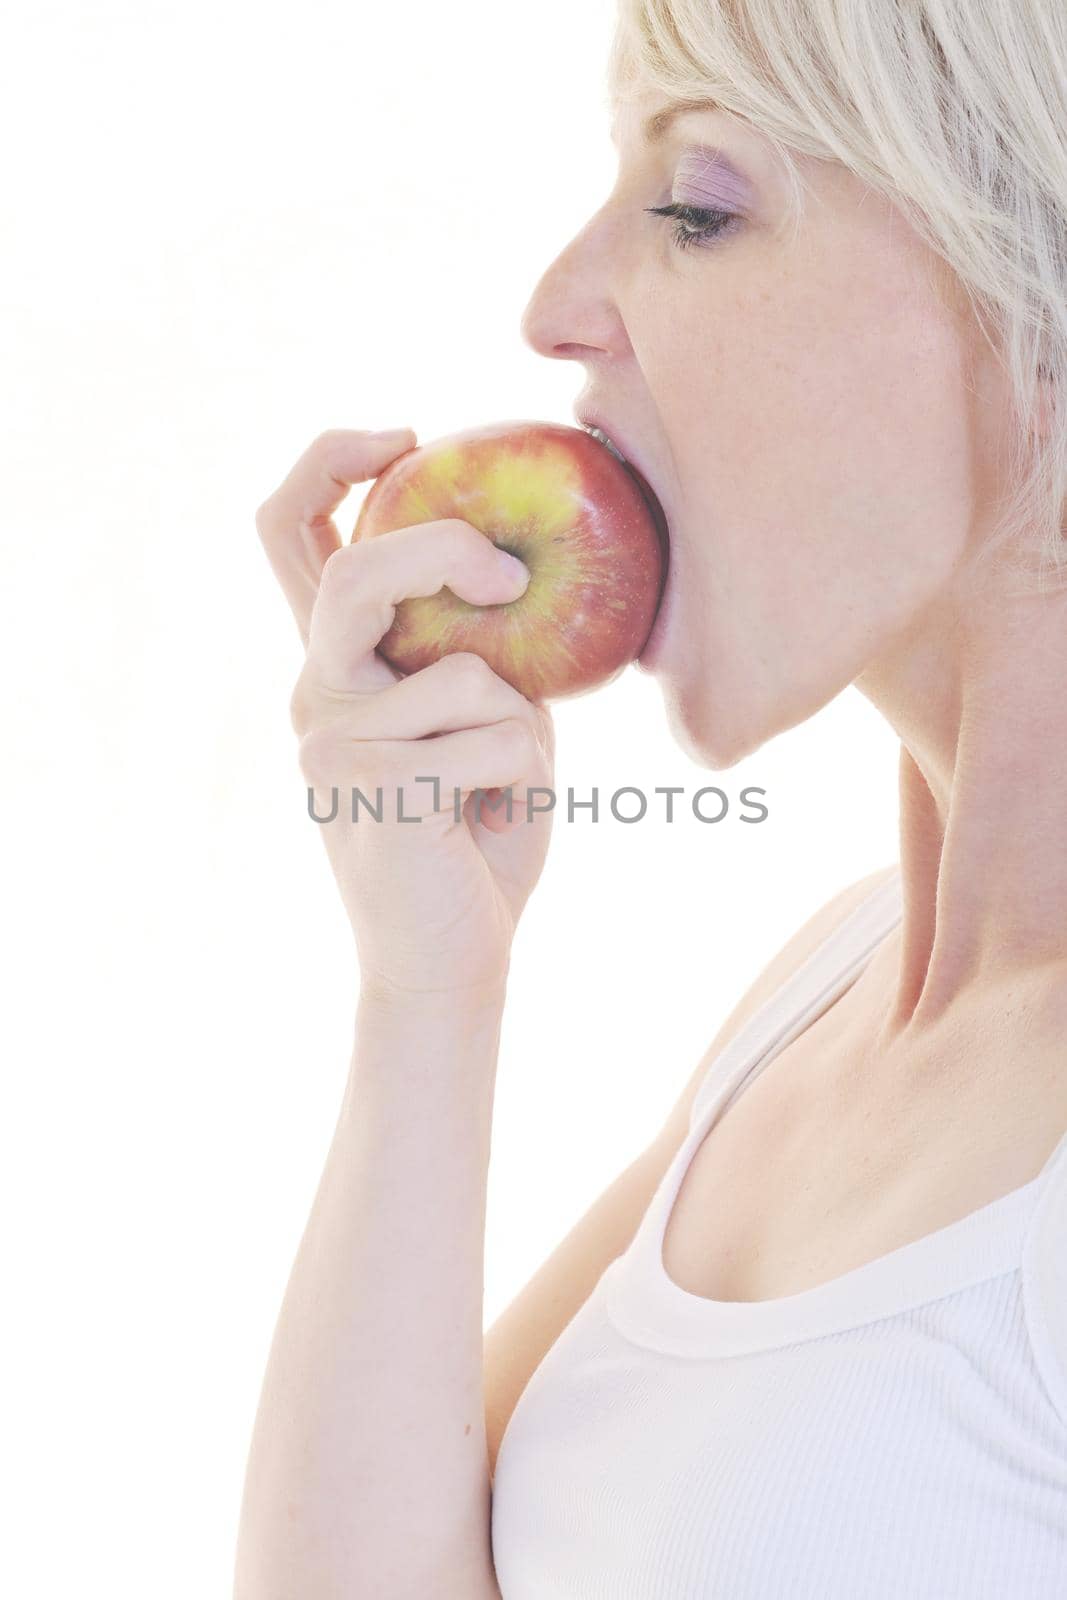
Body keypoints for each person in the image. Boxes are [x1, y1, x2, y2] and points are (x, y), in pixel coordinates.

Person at [234, 3, 1067, 1596]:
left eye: (697, 205)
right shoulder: (832, 992)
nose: (555, 307)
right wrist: (428, 994)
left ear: (1031, 302)